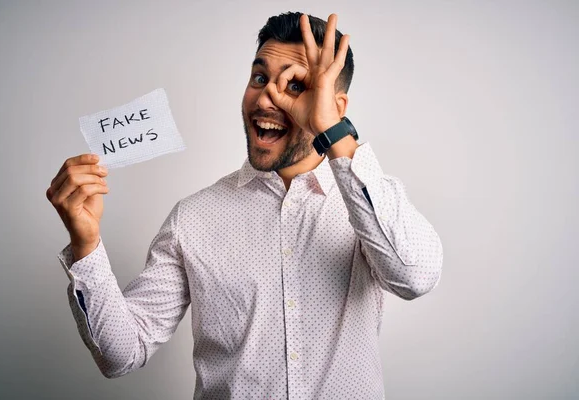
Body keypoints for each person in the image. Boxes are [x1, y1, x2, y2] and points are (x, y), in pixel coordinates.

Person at [46, 11, 443, 399]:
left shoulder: (370, 206)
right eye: (259, 77)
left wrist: (334, 133)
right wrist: (86, 245)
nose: (267, 96)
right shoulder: (193, 218)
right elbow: (121, 354)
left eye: (295, 86)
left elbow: (414, 276)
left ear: (335, 107)